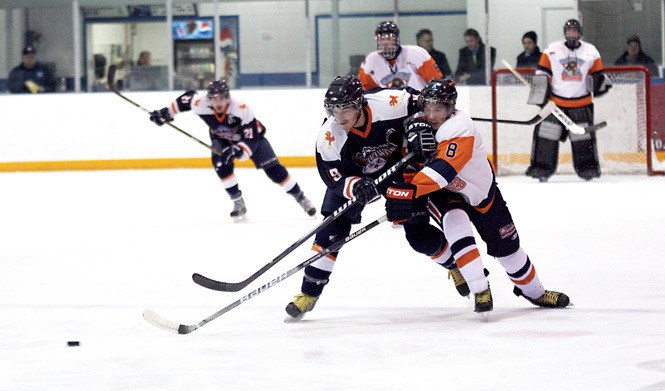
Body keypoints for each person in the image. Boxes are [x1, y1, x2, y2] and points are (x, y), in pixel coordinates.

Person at [285, 76, 469, 320]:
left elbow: (422, 102)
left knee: (419, 236)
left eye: (346, 108)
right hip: (355, 178)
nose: (340, 117)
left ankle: (456, 265)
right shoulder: (329, 136)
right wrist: (354, 186)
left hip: (398, 171)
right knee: (332, 229)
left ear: (360, 103)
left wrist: (418, 124)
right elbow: (333, 177)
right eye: (334, 110)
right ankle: (308, 293)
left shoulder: (389, 102)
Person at [384, 78, 571, 314]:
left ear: (451, 108)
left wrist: (411, 191)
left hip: (481, 193)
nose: (431, 114)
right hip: (448, 193)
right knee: (455, 224)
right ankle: (480, 288)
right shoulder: (417, 123)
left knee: (508, 250)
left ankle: (535, 292)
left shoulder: (460, 127)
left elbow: (444, 169)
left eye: (438, 109)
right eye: (427, 108)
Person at [148, 79, 317, 219]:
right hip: (221, 139)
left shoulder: (241, 109)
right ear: (209, 99)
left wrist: (238, 150)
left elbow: (251, 140)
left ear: (228, 98)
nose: (218, 102)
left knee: (274, 170)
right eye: (214, 98)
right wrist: (166, 113)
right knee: (221, 165)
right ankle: (238, 201)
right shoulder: (200, 103)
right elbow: (185, 99)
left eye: (221, 98)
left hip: (252, 139)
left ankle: (300, 197)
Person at [525, 19, 612, 182]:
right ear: (565, 32)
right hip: (555, 104)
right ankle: (541, 169)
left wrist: (601, 84)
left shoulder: (591, 51)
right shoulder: (552, 50)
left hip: (581, 104)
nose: (572, 33)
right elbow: (542, 74)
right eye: (569, 31)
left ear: (580, 33)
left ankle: (587, 169)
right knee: (546, 136)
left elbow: (598, 75)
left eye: (575, 31)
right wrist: (540, 94)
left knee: (583, 139)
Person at [358, 21, 443, 90]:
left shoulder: (417, 54)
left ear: (397, 40)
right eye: (381, 39)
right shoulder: (370, 62)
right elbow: (365, 92)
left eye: (389, 38)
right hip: (389, 109)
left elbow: (438, 83)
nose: (385, 43)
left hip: (418, 108)